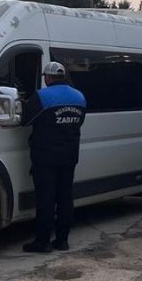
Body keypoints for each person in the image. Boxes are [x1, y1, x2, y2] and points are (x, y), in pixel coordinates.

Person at [22, 61, 87, 254]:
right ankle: (62, 240)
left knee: (46, 199)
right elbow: (79, 122)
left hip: (46, 156)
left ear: (48, 78)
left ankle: (42, 242)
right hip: (69, 155)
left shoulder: (42, 96)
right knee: (65, 198)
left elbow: (25, 120)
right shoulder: (79, 97)